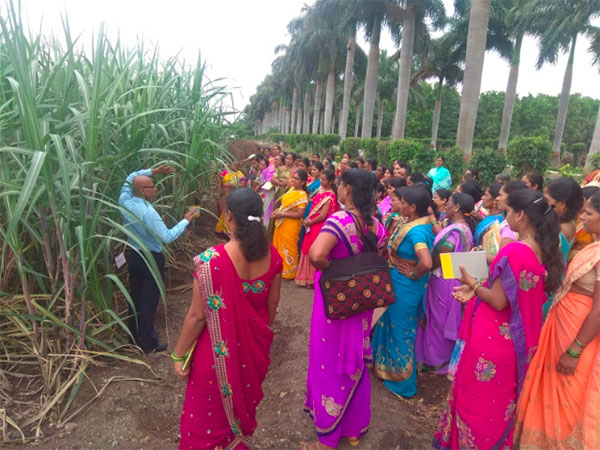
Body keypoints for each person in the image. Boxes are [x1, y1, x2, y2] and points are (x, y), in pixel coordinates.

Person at [433, 189, 564, 450]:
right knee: (497, 405)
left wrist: (471, 282)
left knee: (477, 405)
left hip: (492, 342)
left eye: (508, 212)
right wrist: (477, 286)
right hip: (513, 341)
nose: (507, 216)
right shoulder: (542, 248)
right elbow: (512, 292)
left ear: (521, 215)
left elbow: (498, 300)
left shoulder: (516, 250)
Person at [173, 188, 282, 450]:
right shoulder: (273, 256)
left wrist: (178, 355)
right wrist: (251, 332)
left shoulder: (212, 261)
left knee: (204, 422)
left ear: (229, 216)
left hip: (214, 356)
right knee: (238, 414)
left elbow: (197, 317)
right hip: (251, 352)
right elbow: (272, 306)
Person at [302, 169, 387, 450]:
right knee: (356, 360)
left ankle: (327, 438)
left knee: (328, 361)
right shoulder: (377, 224)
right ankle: (353, 429)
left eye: (340, 185)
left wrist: (336, 276)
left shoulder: (340, 220)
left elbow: (316, 255)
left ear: (347, 189)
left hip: (334, 305)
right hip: (362, 305)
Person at [514, 190, 600, 450]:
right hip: (562, 329)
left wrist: (574, 350)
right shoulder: (592, 247)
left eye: (590, 212)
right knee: (552, 391)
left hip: (578, 338)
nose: (582, 216)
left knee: (569, 396)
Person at [119, 164, 194, 353]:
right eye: (152, 186)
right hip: (151, 259)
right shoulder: (148, 212)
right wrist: (186, 220)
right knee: (148, 301)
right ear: (143, 191)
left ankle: (133, 337)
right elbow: (167, 236)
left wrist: (154, 172)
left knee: (134, 297)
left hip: (134, 256)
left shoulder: (124, 201)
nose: (156, 188)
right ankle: (147, 343)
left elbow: (131, 175)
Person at [371, 186, 434, 398]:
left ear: (413, 207)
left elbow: (426, 261)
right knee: (389, 324)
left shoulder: (416, 231)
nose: (400, 206)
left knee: (401, 330)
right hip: (400, 282)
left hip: (406, 286)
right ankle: (386, 370)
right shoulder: (422, 223)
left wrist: (414, 273)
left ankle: (403, 384)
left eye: (403, 203)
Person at [416, 193, 476, 375]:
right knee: (441, 316)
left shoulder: (456, 230)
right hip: (454, 275)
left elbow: (444, 252)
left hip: (444, 277)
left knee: (438, 319)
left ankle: (436, 360)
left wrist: (424, 267)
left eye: (448, 204)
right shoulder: (464, 228)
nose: (445, 207)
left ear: (457, 207)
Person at [295, 169, 338, 287]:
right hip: (312, 224)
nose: (321, 182)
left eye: (324, 180)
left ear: (331, 181)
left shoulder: (331, 196)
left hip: (319, 226)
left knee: (313, 249)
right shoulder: (321, 190)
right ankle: (306, 278)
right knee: (307, 247)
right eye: (321, 179)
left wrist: (310, 221)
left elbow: (323, 215)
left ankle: (313, 279)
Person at [271, 170, 308, 279]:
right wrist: (277, 211)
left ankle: (290, 272)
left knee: (289, 247)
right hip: (282, 223)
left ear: (302, 182)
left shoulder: (302, 195)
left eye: (296, 179)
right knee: (279, 246)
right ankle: (279, 268)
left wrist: (282, 214)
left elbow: (299, 214)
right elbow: (284, 205)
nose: (293, 180)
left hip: (291, 224)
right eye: (293, 178)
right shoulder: (291, 189)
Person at [544, 177, 584, 265]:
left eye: (547, 200)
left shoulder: (558, 230)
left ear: (562, 204)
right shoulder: (570, 223)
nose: (543, 203)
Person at [215, 161, 244, 236]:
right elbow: (220, 181)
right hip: (226, 194)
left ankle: (230, 229)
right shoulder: (225, 173)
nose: (235, 166)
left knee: (232, 211)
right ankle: (223, 229)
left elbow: (243, 183)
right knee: (225, 211)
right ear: (230, 165)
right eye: (233, 164)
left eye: (237, 165)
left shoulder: (240, 174)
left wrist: (235, 185)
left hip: (236, 195)